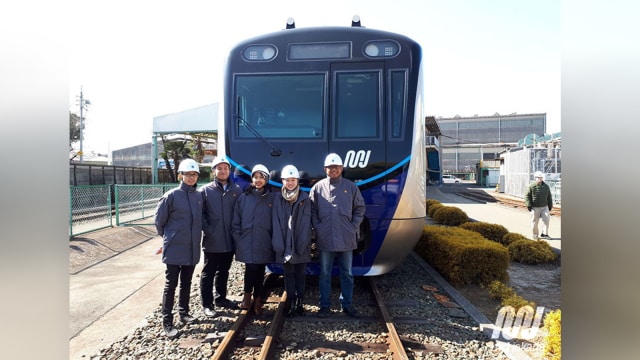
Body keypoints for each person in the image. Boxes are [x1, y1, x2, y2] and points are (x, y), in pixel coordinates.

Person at [309, 153, 366, 318]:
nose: (333, 170)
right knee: (324, 273)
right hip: (325, 237)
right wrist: (318, 227)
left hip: (346, 237)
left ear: (341, 169)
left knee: (347, 273)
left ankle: (347, 304)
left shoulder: (351, 187)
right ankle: (324, 305)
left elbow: (360, 208)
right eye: (330, 167)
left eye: (336, 167)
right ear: (325, 169)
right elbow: (312, 211)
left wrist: (353, 225)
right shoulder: (318, 188)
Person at [154, 158, 203, 339]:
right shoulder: (171, 196)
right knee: (171, 285)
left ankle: (184, 313)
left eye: (194, 174)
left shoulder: (198, 197)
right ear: (180, 176)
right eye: (187, 174)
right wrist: (169, 238)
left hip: (192, 247)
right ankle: (167, 322)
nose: (191, 177)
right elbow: (159, 222)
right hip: (175, 248)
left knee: (187, 282)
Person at [199, 156, 244, 316]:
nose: (223, 171)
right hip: (212, 240)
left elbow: (240, 213)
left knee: (224, 271)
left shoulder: (237, 190)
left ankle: (221, 298)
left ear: (229, 171)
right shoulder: (205, 191)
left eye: (226, 168)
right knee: (208, 272)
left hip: (229, 240)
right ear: (214, 171)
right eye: (219, 168)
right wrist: (208, 230)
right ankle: (207, 304)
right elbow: (200, 215)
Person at [232, 164, 275, 315]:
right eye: (255, 177)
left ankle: (257, 299)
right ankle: (247, 296)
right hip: (247, 240)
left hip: (264, 240)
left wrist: (273, 239)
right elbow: (236, 221)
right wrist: (239, 239)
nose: (258, 180)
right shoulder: (244, 198)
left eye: (261, 177)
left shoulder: (272, 198)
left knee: (260, 270)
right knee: (251, 269)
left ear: (266, 179)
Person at [272, 164, 313, 317]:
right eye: (287, 180)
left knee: (301, 274)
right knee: (288, 274)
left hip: (301, 243)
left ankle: (300, 302)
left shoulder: (305, 199)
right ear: (282, 181)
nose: (290, 183)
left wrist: (305, 242)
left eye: (293, 180)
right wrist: (278, 244)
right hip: (284, 244)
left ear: (297, 181)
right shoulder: (277, 199)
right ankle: (291, 301)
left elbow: (309, 223)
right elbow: (275, 222)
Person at [525, 171, 553, 239]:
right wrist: (528, 204)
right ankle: (535, 234)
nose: (539, 179)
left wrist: (550, 205)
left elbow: (549, 196)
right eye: (538, 177)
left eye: (540, 177)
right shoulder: (531, 186)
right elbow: (527, 196)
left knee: (546, 220)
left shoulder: (546, 186)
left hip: (544, 206)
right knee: (535, 222)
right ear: (535, 178)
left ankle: (544, 234)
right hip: (535, 207)